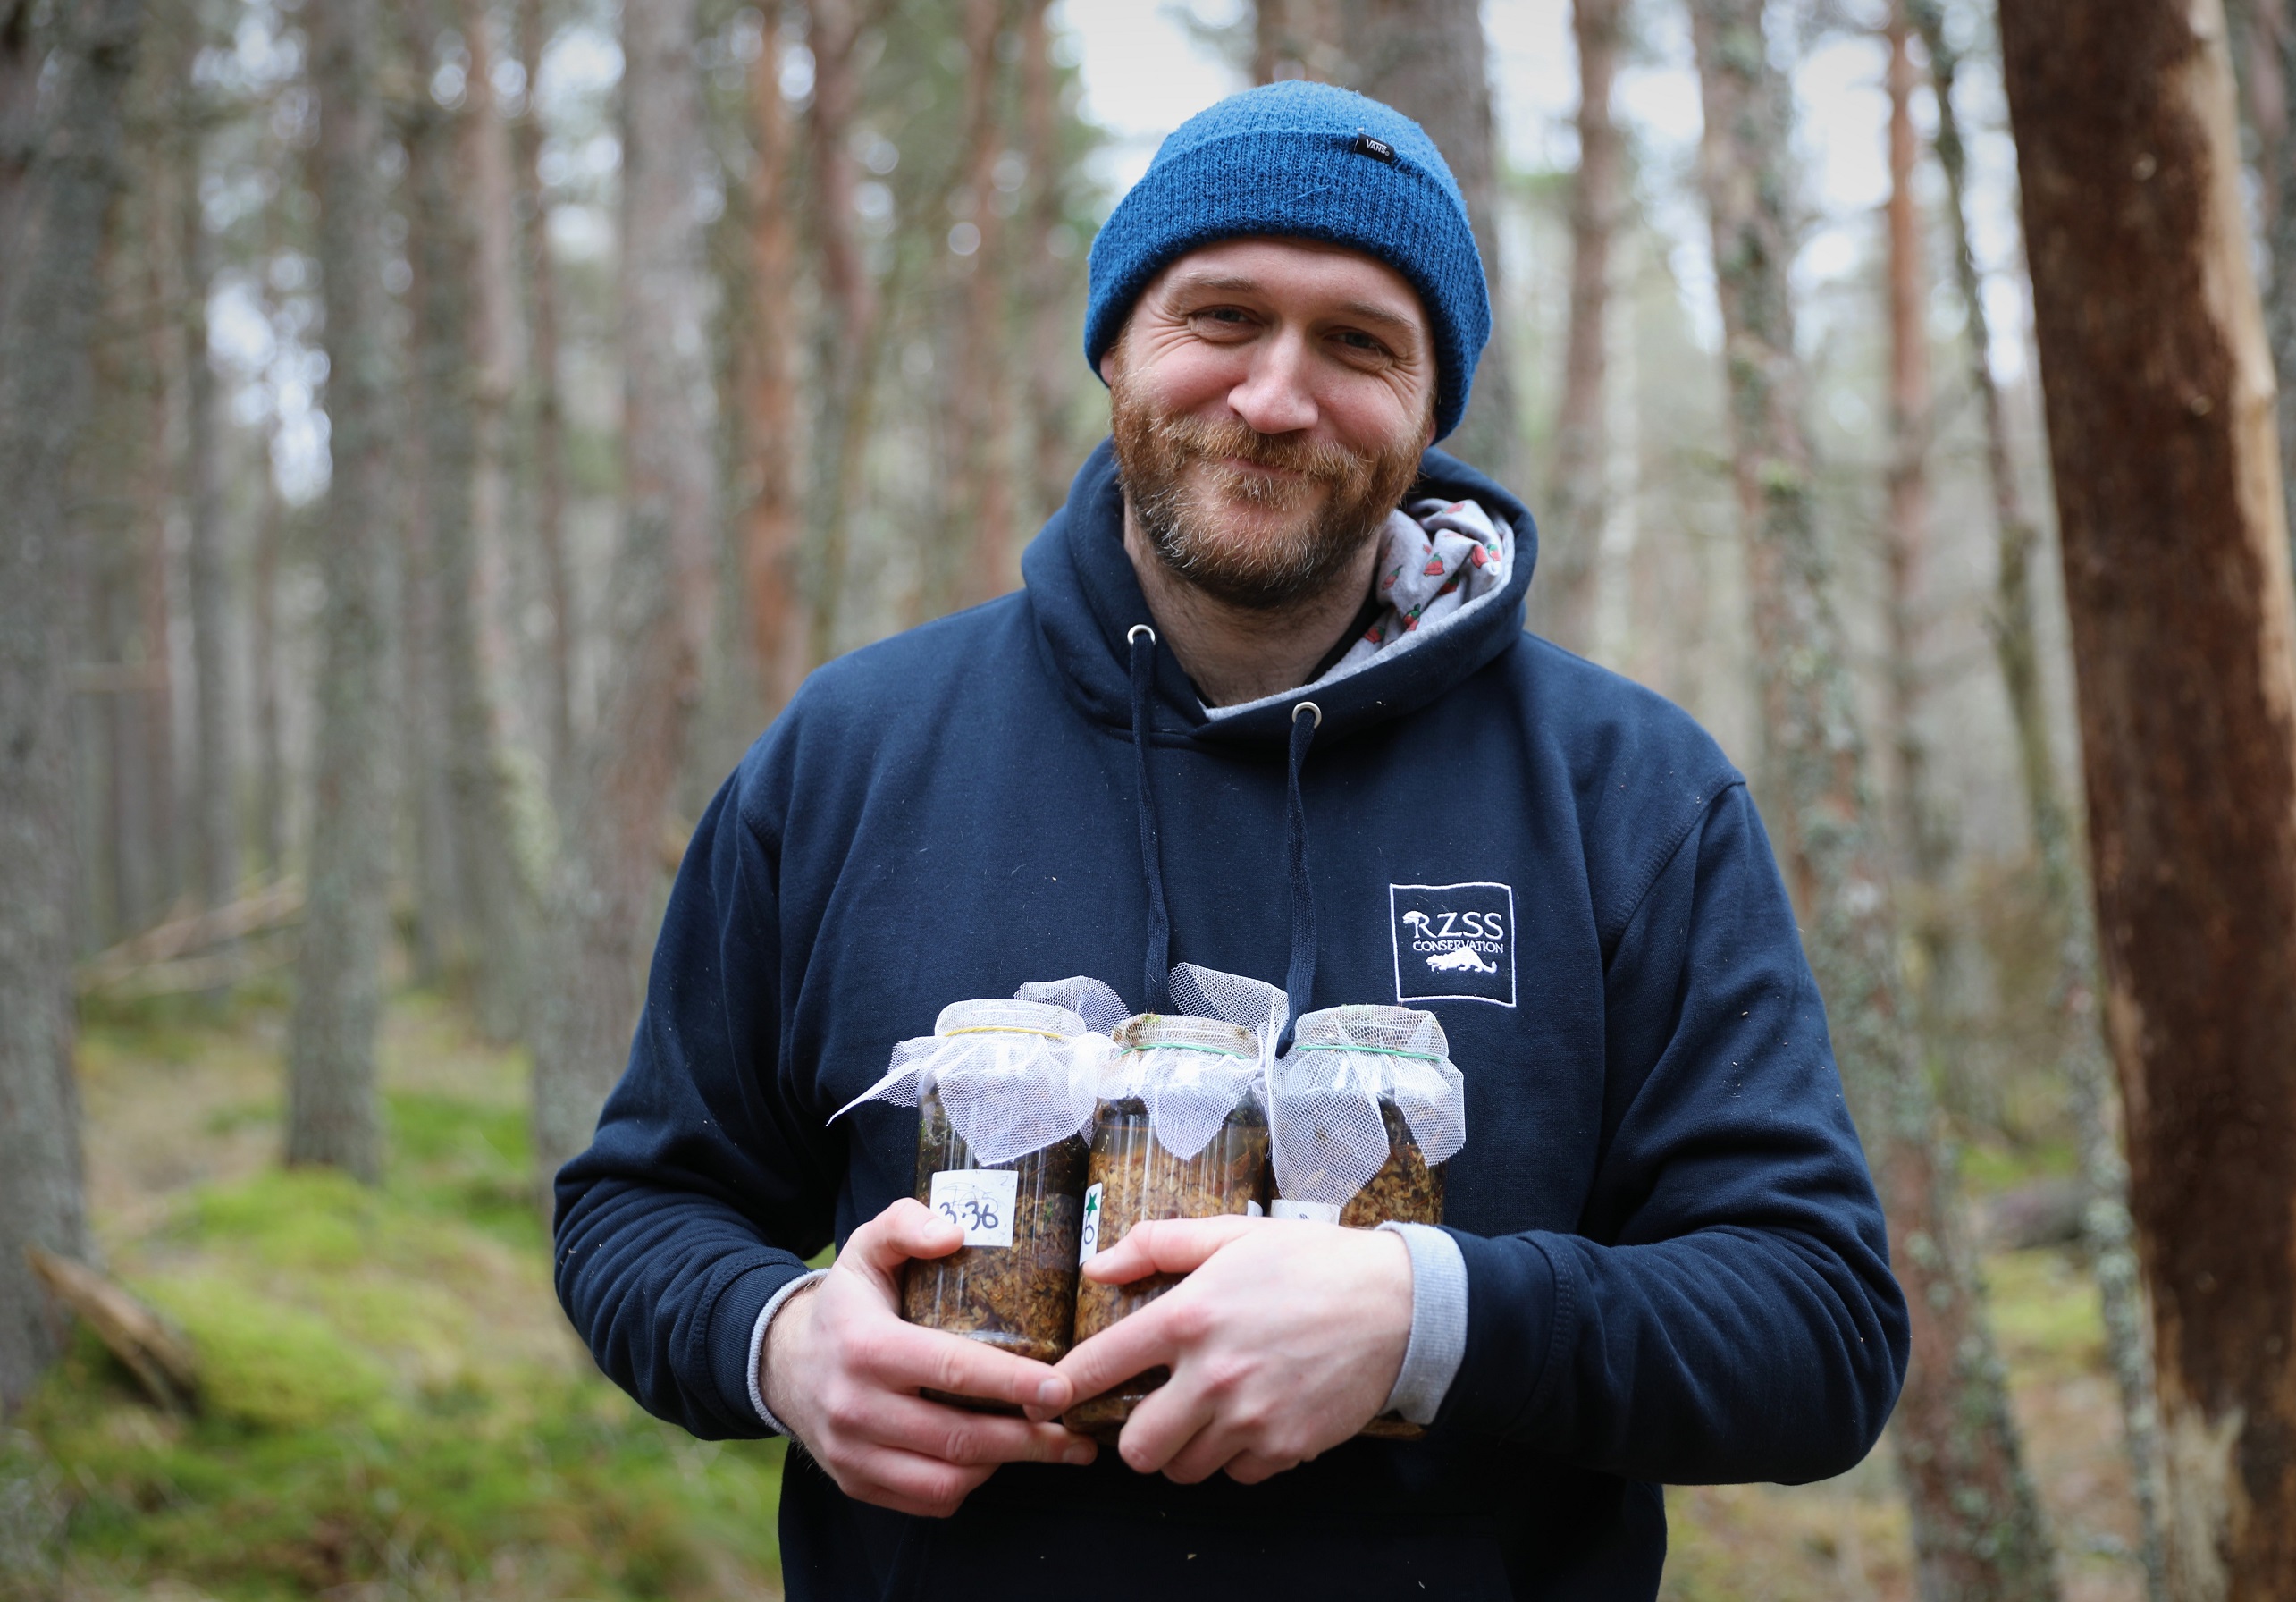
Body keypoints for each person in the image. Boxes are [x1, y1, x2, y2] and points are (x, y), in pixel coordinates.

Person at [555, 81, 1908, 1601]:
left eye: (1359, 342)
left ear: (1431, 405)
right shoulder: (857, 753)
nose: (1275, 397)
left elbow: (1821, 1330)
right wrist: (781, 1344)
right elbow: (638, 1208)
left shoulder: (1627, 793)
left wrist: (1424, 1319)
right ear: (1117, 345)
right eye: (1221, 316)